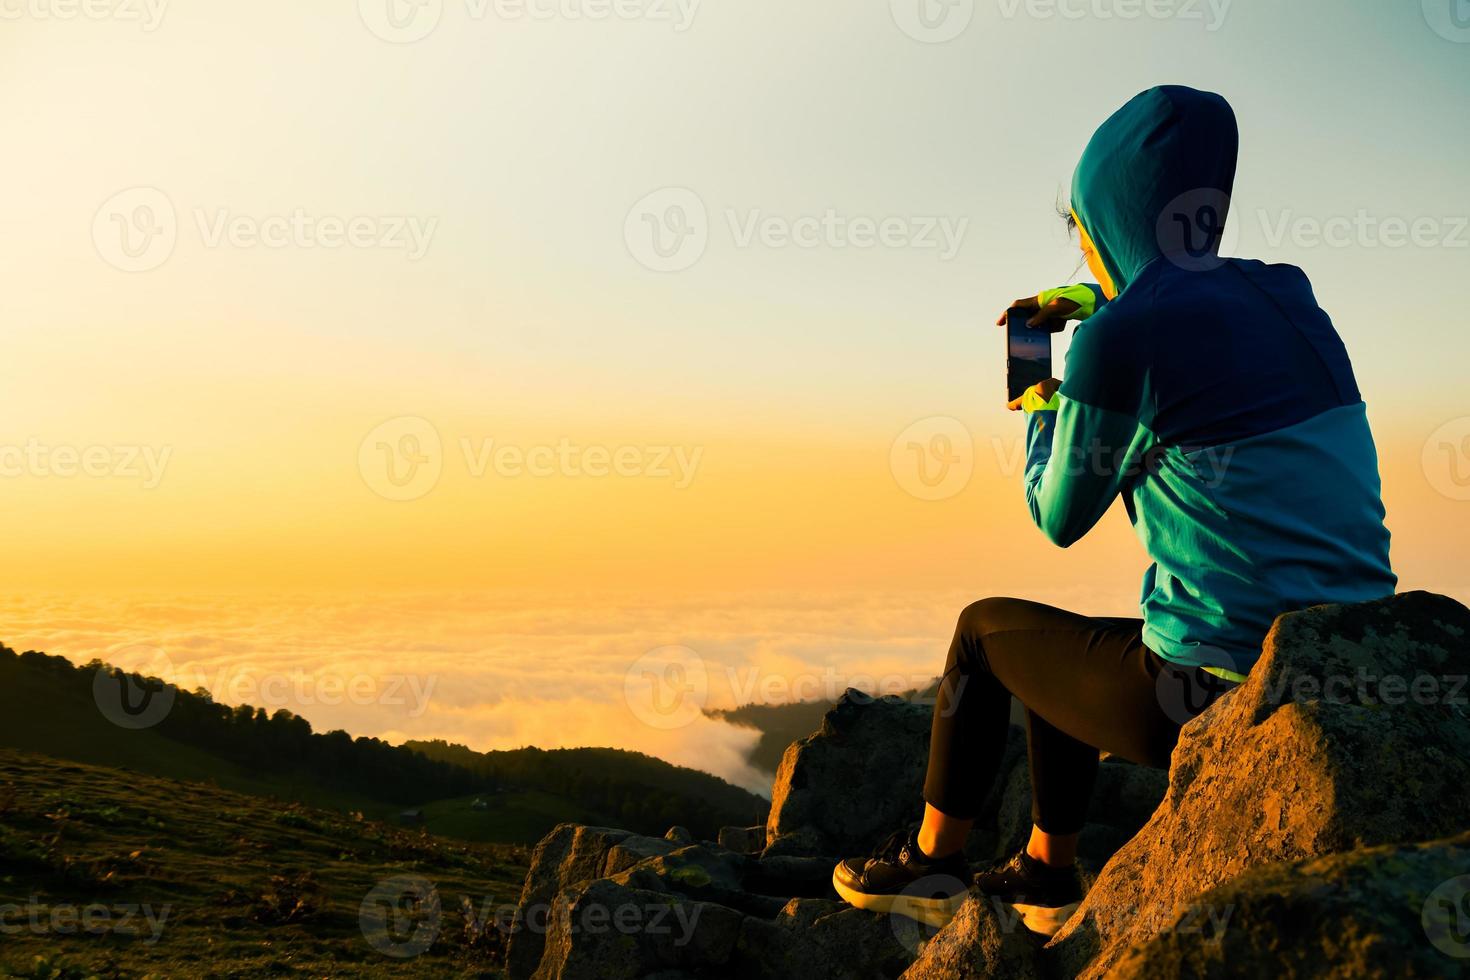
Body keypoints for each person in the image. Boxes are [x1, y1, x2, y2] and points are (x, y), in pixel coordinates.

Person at [831, 85, 1396, 936]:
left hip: (1216, 691)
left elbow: (1055, 517)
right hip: (1348, 650)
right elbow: (1183, 317)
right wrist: (1094, 307)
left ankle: (930, 863)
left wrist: (1036, 396)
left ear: (1106, 217)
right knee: (1076, 645)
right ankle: (1044, 875)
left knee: (986, 633)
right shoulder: (1291, 296)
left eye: (1082, 232)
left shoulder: (1119, 344)